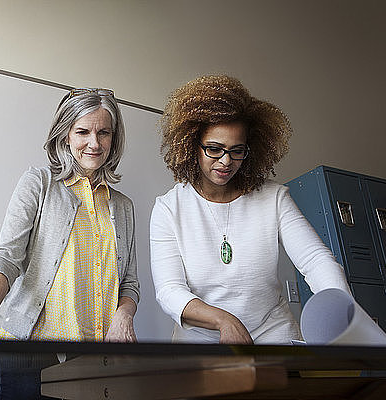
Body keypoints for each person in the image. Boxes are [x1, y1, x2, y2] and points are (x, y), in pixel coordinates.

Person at [0, 88, 139, 399]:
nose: (95, 142)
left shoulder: (123, 206)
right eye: (83, 131)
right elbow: (6, 258)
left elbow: (129, 282)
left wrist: (124, 316)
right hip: (30, 348)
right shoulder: (38, 184)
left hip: (93, 357)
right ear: (65, 136)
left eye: (104, 132)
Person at [150, 75, 350, 345]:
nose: (226, 161)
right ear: (191, 145)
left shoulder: (274, 198)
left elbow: (316, 261)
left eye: (237, 151)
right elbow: (169, 290)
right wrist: (224, 320)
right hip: (200, 339)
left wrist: (342, 313)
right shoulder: (168, 208)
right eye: (214, 149)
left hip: (273, 332)